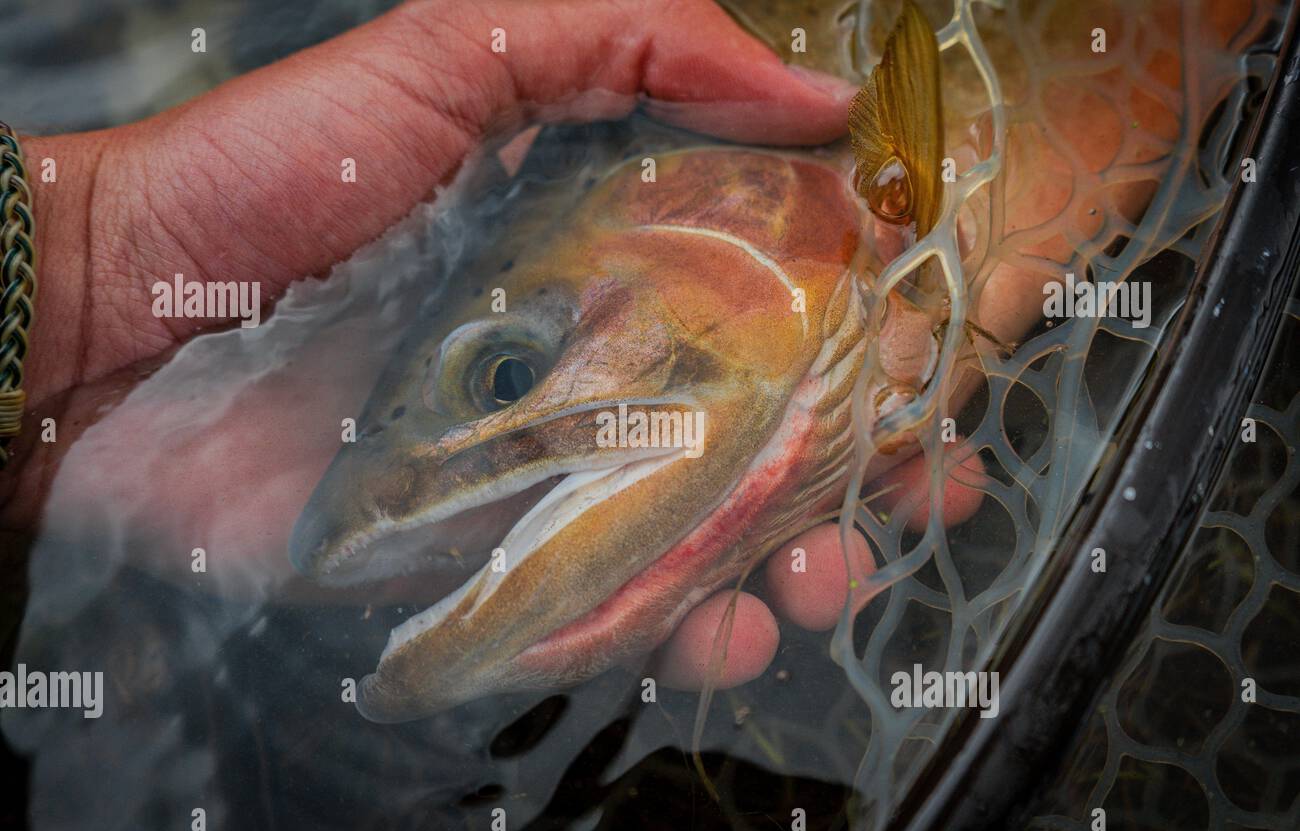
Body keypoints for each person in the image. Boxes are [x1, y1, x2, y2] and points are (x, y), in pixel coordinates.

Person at [0, 0, 981, 692]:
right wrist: (78, 266)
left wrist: (84, 261)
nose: (508, 384)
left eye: (505, 371)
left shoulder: (876, 170)